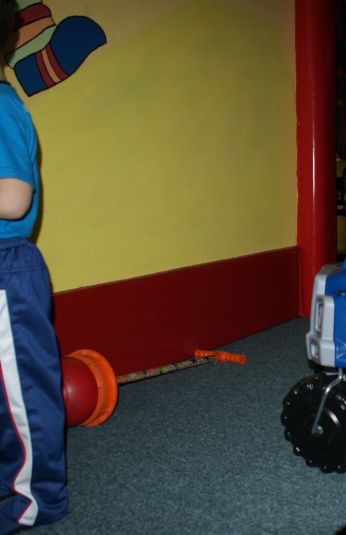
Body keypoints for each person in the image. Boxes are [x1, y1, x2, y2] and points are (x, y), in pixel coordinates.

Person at [0, 1, 68, 533]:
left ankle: (36, 499)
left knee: (24, 393)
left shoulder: (1, 107)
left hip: (6, 266)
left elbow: (13, 198)